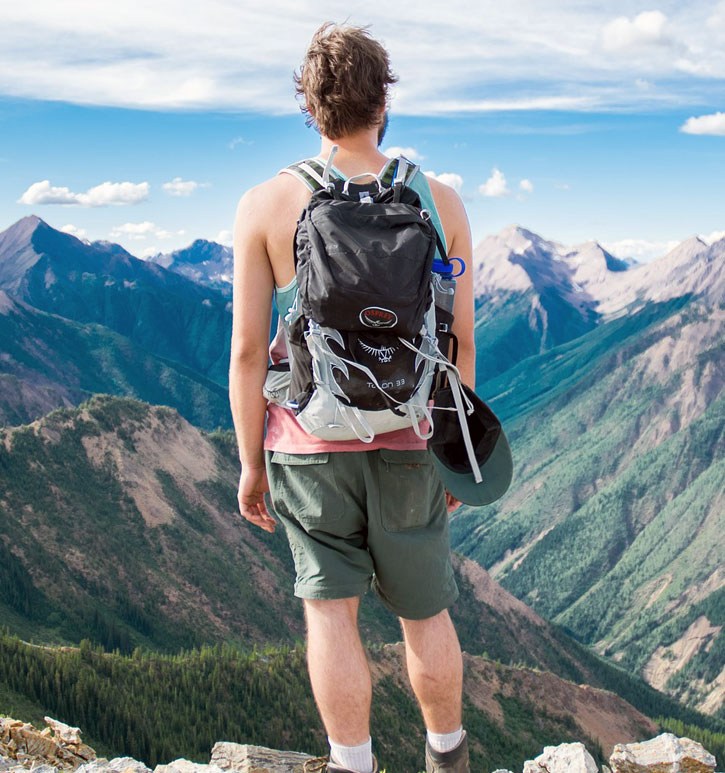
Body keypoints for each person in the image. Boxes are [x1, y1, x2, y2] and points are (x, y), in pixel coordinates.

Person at [229, 22, 474, 773]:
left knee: (329, 614)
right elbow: (459, 341)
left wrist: (250, 465)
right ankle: (446, 756)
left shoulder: (267, 203)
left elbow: (244, 352)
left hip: (307, 445)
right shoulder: (437, 201)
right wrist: (456, 452)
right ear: (383, 99)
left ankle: (352, 762)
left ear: (309, 104)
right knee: (423, 612)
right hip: (409, 437)